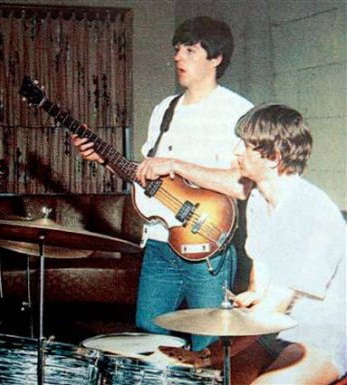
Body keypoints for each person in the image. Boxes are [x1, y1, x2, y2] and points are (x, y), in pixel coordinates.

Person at [71, 16, 253, 351]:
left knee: (210, 348)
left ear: (216, 58)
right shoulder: (164, 110)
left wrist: (175, 163)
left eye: (189, 50)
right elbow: (150, 181)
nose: (177, 57)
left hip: (208, 249)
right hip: (158, 243)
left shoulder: (237, 112)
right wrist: (105, 160)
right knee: (146, 344)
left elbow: (241, 186)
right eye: (176, 49)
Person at [159, 104, 346, 385]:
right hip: (277, 332)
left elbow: (273, 308)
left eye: (245, 145)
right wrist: (252, 295)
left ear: (273, 157)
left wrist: (210, 354)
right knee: (219, 380)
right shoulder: (258, 200)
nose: (236, 151)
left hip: (324, 334)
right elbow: (261, 282)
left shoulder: (312, 211)